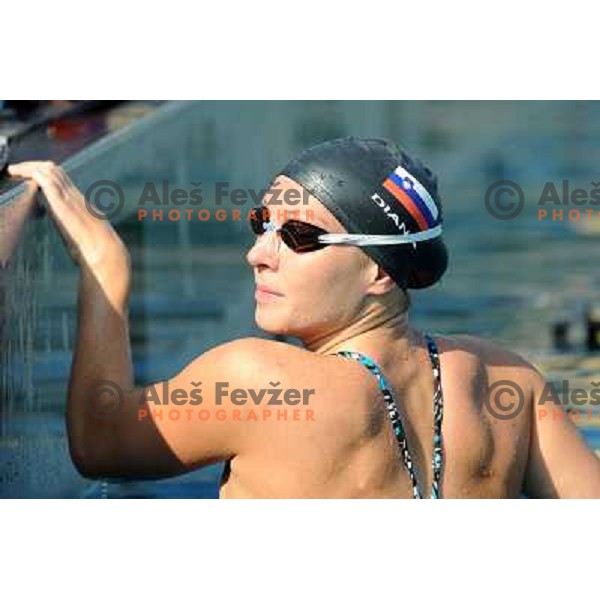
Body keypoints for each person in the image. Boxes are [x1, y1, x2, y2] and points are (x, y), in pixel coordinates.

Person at [8, 137, 600, 498]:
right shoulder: (509, 383)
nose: (258, 253)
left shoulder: (257, 381)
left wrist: (105, 265)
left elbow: (98, 442)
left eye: (297, 235)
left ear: (380, 271)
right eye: (260, 225)